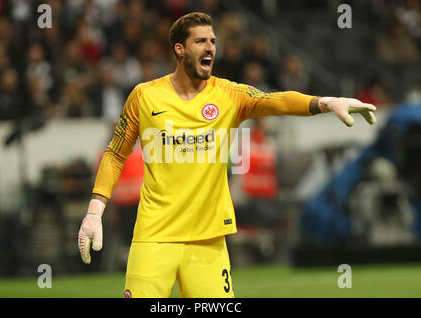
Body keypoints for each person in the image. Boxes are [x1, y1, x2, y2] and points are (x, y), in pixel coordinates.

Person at [78, 12, 377, 298]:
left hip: (208, 242)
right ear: (180, 49)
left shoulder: (229, 95)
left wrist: (325, 101)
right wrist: (94, 211)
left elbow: (277, 101)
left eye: (213, 41)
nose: (210, 47)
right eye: (201, 41)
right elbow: (116, 154)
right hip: (154, 237)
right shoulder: (144, 96)